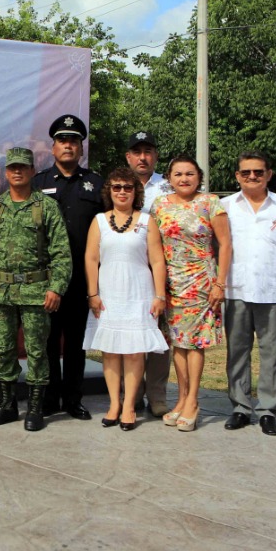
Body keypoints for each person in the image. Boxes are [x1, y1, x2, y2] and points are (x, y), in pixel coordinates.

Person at [0, 148, 71, 431]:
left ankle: (35, 407)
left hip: (36, 292)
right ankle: (8, 404)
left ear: (33, 171)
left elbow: (61, 252)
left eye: (23, 167)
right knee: (4, 349)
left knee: (37, 351)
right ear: (6, 172)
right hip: (2, 293)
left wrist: (56, 288)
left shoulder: (45, 207)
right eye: (12, 168)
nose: (18, 172)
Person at [219, 150, 276, 436]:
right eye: (246, 173)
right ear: (237, 176)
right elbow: (218, 247)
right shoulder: (225, 206)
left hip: (272, 289)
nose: (252, 177)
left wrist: (275, 269)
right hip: (236, 288)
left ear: (269, 174)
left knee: (272, 353)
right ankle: (241, 408)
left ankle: (268, 410)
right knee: (237, 352)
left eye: (258, 172)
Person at [82, 167, 169, 431]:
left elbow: (157, 259)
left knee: (133, 353)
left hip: (139, 294)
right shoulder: (98, 220)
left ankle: (130, 406)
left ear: (136, 191)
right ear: (109, 191)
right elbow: (91, 258)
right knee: (110, 352)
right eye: (117, 187)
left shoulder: (147, 221)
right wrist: (93, 293)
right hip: (108, 294)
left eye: (127, 187)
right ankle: (113, 405)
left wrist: (159, 295)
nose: (122, 192)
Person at [150, 156, 231, 432]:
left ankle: (193, 401)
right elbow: (154, 246)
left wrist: (220, 283)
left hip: (201, 283)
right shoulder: (159, 205)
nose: (184, 179)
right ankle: (182, 398)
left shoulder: (211, 203)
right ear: (169, 178)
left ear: (199, 176)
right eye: (178, 174)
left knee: (194, 343)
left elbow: (226, 244)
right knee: (178, 343)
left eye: (189, 174)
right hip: (171, 283)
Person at [33, 114, 103, 420]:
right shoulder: (38, 184)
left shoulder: (97, 184)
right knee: (47, 341)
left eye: (74, 141)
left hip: (81, 277)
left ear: (81, 148)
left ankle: (73, 399)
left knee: (75, 343)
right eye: (63, 141)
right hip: (46, 278)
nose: (68, 146)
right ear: (53, 147)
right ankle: (49, 400)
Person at [125, 130, 173, 416]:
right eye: (137, 152)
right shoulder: (116, 185)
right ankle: (131, 393)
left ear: (155, 155)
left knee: (158, 336)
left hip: (159, 271)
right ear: (128, 156)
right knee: (128, 333)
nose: (143, 157)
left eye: (148, 152)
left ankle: (157, 394)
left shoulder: (168, 189)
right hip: (127, 270)